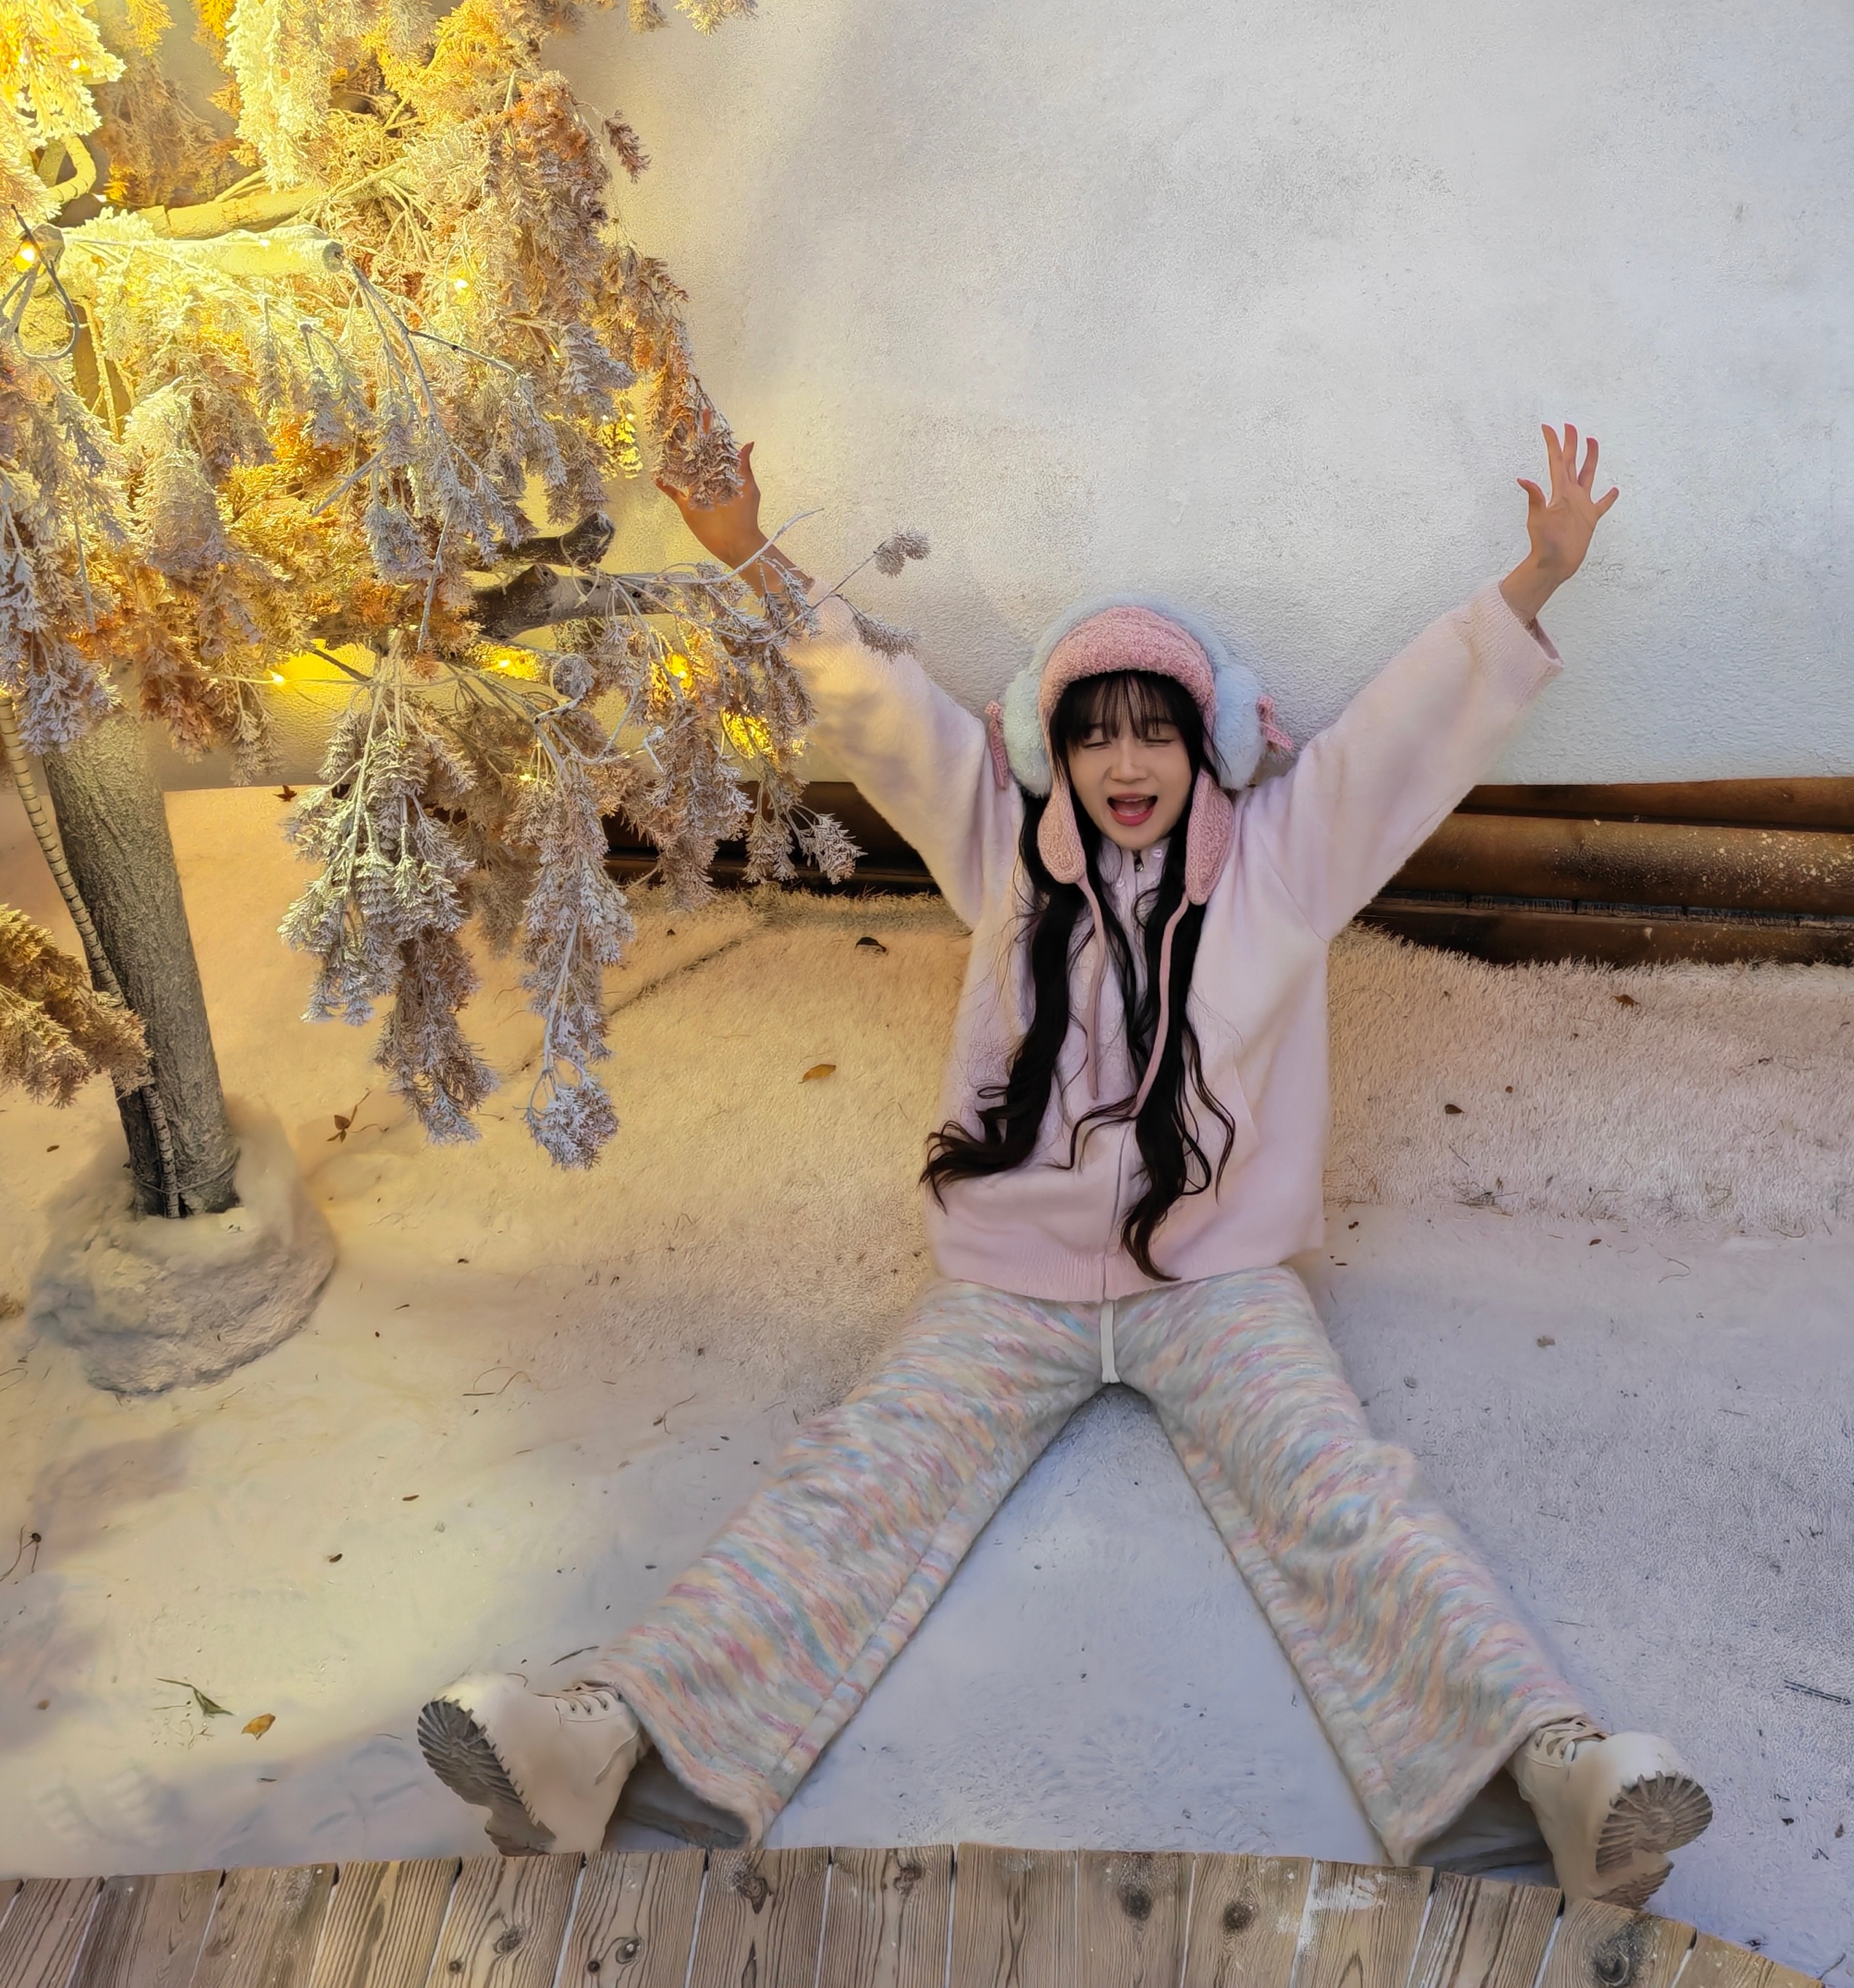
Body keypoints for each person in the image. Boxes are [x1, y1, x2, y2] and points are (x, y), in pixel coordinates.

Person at [418, 425, 1711, 1904]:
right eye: (1093, 736)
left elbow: (1405, 735)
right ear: (1054, 752)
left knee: (1345, 1494)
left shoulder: (1284, 862)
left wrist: (1533, 582)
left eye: (1154, 731)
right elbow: (885, 713)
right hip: (1009, 1288)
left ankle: (1546, 1765)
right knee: (848, 1484)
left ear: (1206, 741)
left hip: (1215, 1284)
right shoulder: (1006, 855)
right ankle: (602, 1739)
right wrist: (750, 553)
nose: (1125, 764)